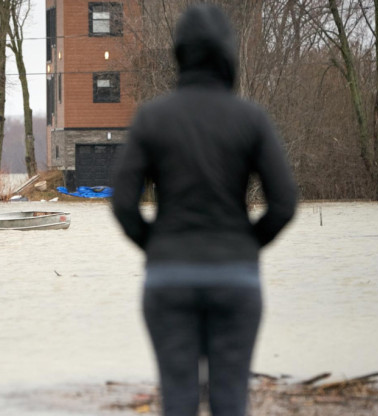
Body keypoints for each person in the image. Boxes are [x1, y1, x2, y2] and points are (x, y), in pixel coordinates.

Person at [112, 5, 297, 416]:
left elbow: (123, 205)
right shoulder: (251, 118)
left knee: (178, 398)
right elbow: (284, 204)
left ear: (179, 53)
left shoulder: (151, 118)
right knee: (230, 398)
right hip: (235, 276)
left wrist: (157, 245)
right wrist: (245, 244)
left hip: (168, 277)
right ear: (228, 54)